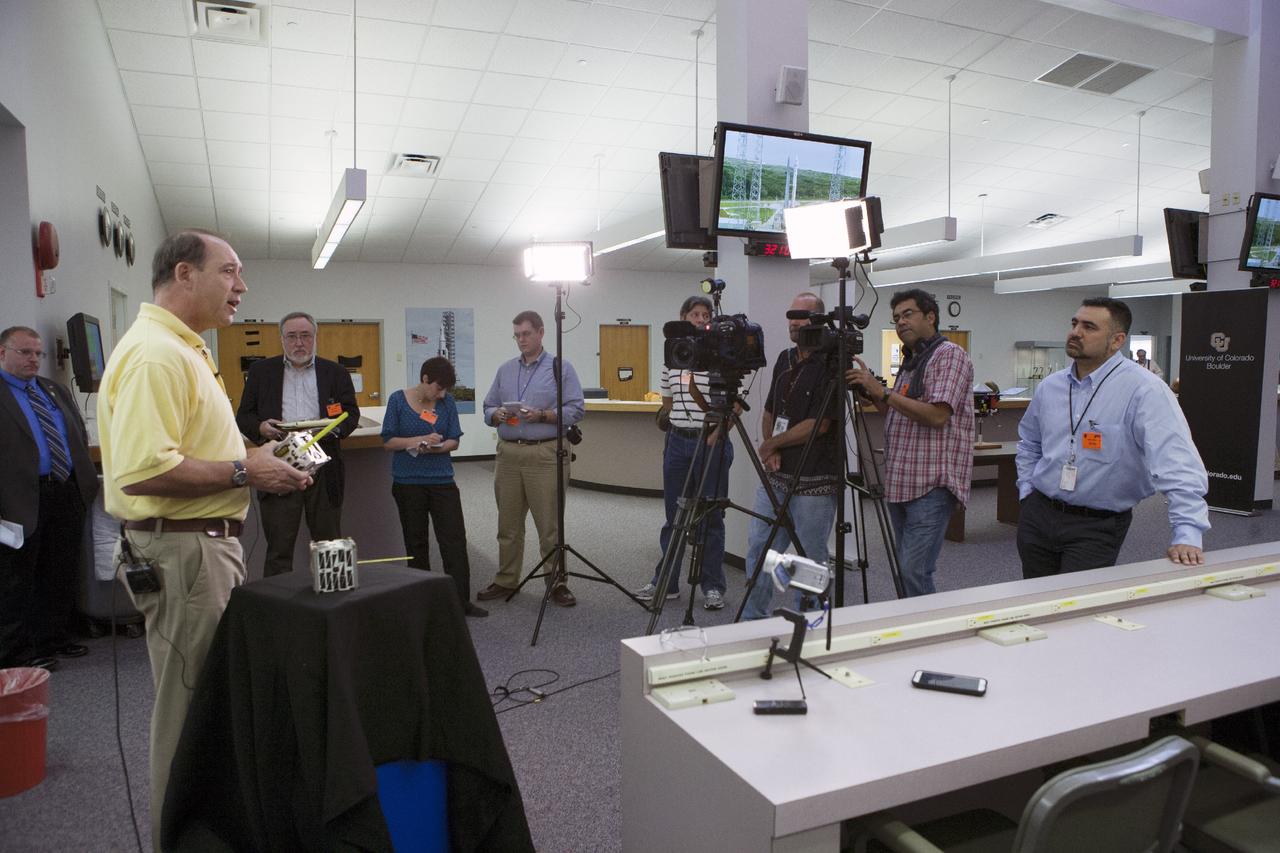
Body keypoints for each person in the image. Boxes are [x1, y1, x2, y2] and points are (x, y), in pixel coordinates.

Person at [98, 229, 311, 845]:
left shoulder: (184, 349)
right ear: (185, 274)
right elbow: (146, 470)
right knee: (188, 711)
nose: (242, 287)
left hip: (200, 547)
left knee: (207, 699)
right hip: (185, 553)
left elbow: (194, 447)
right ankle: (180, 837)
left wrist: (256, 455)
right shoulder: (157, 354)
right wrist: (249, 470)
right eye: (230, 272)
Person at [1015, 297, 1209, 577]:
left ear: (1117, 340)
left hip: (1096, 524)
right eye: (1074, 323)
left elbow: (1176, 461)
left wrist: (1187, 532)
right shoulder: (1051, 387)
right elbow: (1029, 443)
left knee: (1078, 608)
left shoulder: (1145, 390)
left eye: (1089, 327)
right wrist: (1027, 492)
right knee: (1034, 602)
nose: (1075, 332)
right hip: (1039, 514)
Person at [845, 289, 974, 597]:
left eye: (908, 314)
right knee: (905, 568)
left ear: (930, 317)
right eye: (896, 318)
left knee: (913, 570)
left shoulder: (949, 356)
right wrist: (876, 395)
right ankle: (911, 624)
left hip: (930, 484)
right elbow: (897, 415)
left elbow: (937, 415)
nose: (901, 322)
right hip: (901, 481)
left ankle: (925, 632)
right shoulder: (912, 362)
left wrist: (884, 391)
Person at [0, 327, 98, 672]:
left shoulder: (52, 390)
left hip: (65, 491)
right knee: (18, 577)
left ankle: (54, 638)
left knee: (61, 569)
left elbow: (77, 433)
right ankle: (17, 654)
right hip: (17, 498)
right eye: (25, 352)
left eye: (37, 354)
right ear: (2, 353)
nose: (33, 360)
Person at [235, 311, 359, 576]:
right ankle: (280, 611)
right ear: (281, 340)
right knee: (279, 547)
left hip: (324, 461)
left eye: (305, 336)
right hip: (279, 460)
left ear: (315, 338)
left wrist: (332, 428)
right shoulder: (260, 372)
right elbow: (243, 416)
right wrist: (260, 427)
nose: (299, 343)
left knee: (330, 544)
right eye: (292, 336)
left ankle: (332, 604)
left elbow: (351, 413)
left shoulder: (335, 372)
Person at [741, 293, 841, 620]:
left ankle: (808, 624)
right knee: (759, 550)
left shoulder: (833, 362)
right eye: (791, 315)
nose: (794, 321)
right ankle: (752, 619)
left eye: (803, 315)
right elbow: (770, 409)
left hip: (815, 481)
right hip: (777, 476)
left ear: (819, 320)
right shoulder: (784, 359)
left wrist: (771, 445)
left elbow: (820, 424)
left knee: (810, 559)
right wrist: (771, 446)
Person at [478, 310, 585, 607]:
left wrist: (544, 415)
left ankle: (556, 582)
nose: (521, 340)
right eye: (517, 335)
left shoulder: (560, 368)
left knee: (549, 524)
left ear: (540, 333)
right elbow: (488, 406)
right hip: (509, 454)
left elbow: (576, 409)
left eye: (526, 334)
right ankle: (506, 579)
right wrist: (495, 414)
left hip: (546, 452)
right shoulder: (505, 370)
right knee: (508, 524)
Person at [633, 295, 733, 610]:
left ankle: (712, 587)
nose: (700, 318)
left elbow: (736, 402)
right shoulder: (672, 357)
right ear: (683, 317)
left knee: (710, 517)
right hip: (677, 442)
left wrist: (719, 431)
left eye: (705, 314)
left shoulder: (720, 354)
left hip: (709, 442)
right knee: (673, 516)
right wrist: (675, 421)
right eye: (694, 313)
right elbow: (667, 402)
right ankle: (667, 581)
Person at [382, 357, 487, 617]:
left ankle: (460, 602)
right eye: (438, 388)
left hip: (442, 481)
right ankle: (423, 602)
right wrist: (418, 440)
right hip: (408, 483)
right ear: (425, 379)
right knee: (416, 544)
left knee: (454, 542)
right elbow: (388, 441)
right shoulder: (397, 400)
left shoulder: (447, 403)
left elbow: (454, 440)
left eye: (446, 390)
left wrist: (435, 447)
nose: (442, 394)